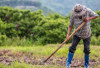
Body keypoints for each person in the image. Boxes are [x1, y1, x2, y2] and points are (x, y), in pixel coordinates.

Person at [66, 4, 99, 68]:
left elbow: (97, 16)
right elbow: (70, 25)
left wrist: (89, 18)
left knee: (87, 50)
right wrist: (68, 35)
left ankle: (86, 65)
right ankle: (68, 64)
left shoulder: (88, 11)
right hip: (77, 34)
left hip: (87, 34)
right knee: (72, 48)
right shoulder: (73, 15)